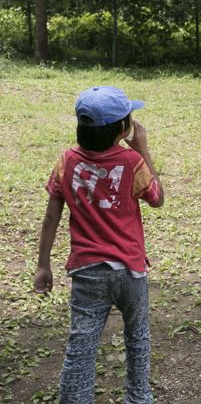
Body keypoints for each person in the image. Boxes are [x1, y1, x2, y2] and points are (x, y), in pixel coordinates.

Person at [33, 86, 164, 403]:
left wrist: (43, 264)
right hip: (130, 271)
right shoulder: (132, 161)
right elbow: (157, 198)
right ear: (123, 128)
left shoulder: (66, 162)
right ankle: (138, 398)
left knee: (81, 345)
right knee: (137, 337)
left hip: (87, 272)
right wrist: (143, 148)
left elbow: (51, 217)